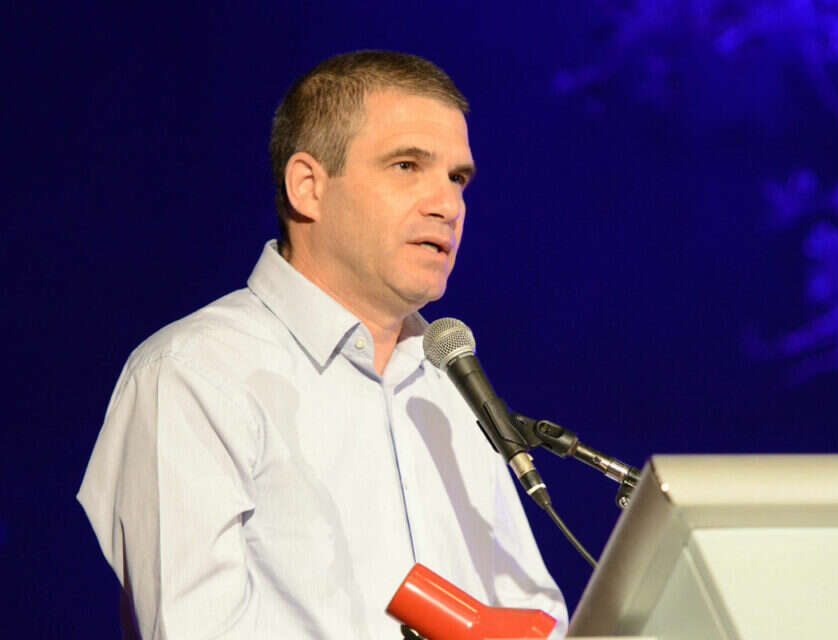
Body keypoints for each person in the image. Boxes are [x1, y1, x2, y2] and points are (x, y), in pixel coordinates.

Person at [77, 50, 567, 639]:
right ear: (308, 187)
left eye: (457, 178)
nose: (447, 205)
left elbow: (535, 617)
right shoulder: (193, 373)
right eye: (407, 165)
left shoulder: (450, 386)